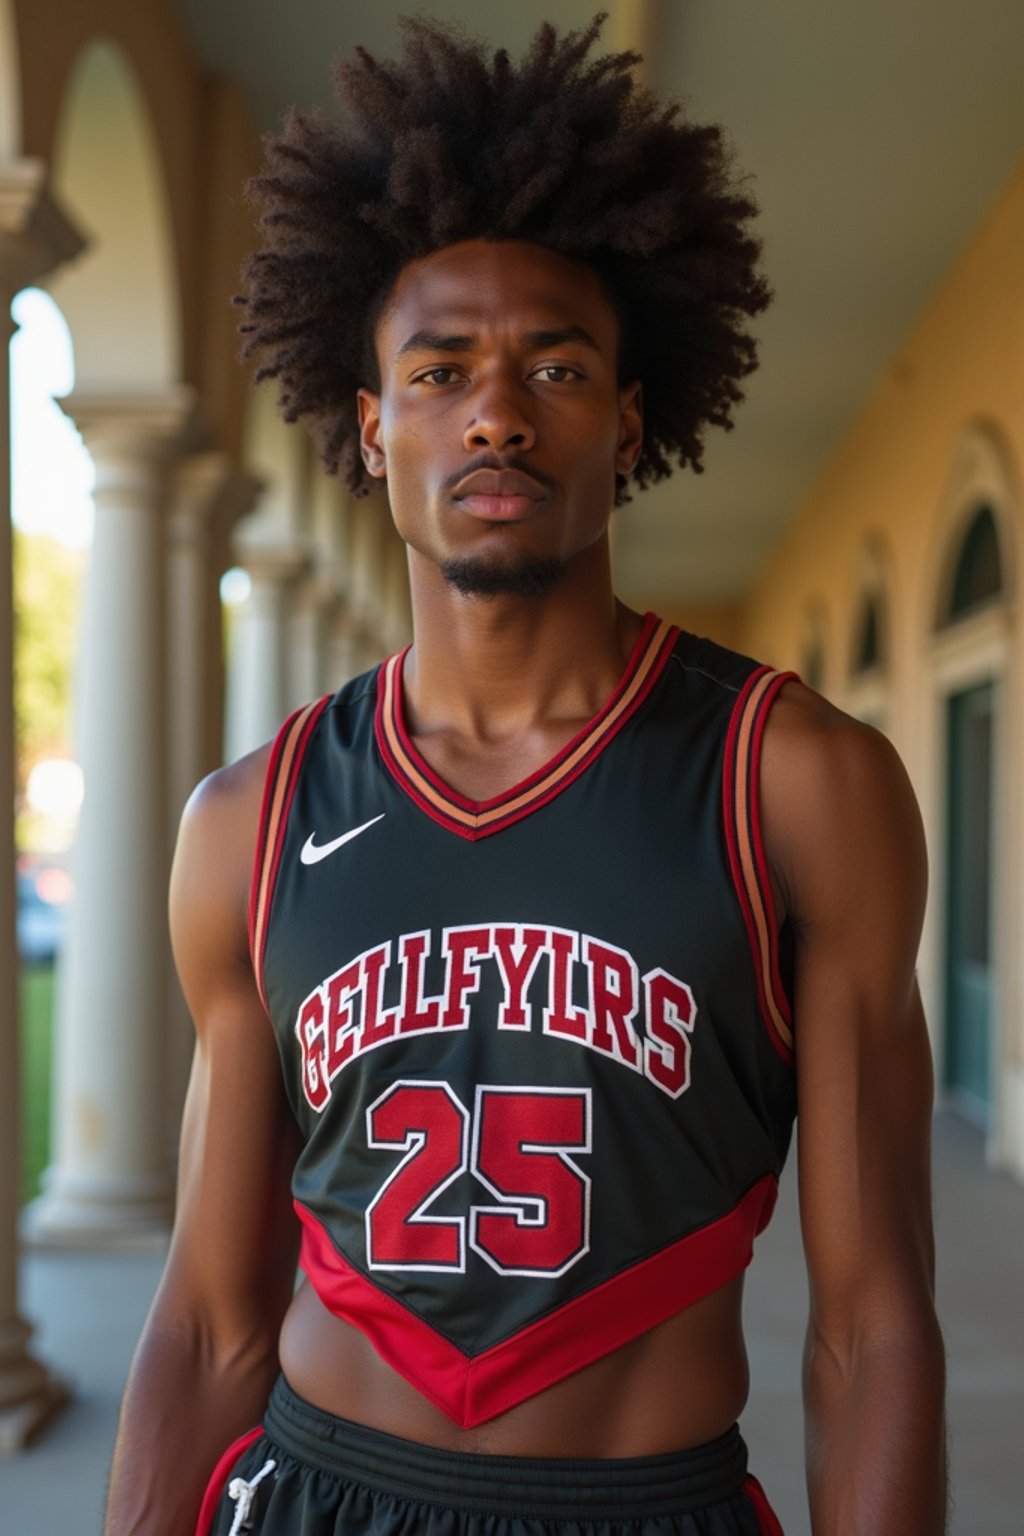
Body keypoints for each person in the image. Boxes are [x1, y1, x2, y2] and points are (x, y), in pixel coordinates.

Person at [103, 14, 946, 1536]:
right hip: (317, 1495)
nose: (495, 410)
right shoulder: (249, 818)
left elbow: (871, 1325)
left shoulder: (798, 784)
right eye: (439, 373)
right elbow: (210, 1321)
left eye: (553, 366)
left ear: (628, 424)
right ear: (369, 432)